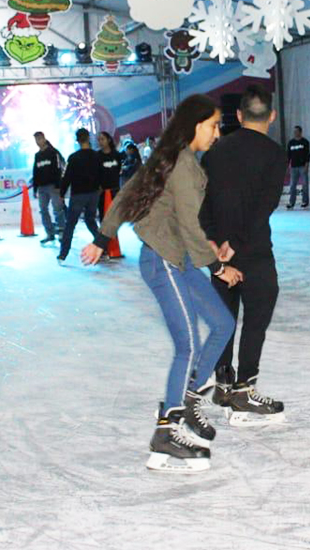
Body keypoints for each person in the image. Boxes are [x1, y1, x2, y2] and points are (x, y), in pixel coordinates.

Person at [81, 94, 240, 474]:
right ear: (194, 125)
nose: (217, 133)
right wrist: (217, 268)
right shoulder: (181, 164)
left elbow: (126, 197)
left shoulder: (170, 158)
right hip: (164, 260)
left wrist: (103, 239)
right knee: (188, 344)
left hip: (178, 258)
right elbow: (186, 223)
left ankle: (184, 400)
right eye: (213, 125)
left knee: (222, 323)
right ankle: (165, 433)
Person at [200, 83, 289, 426]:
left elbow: (202, 204)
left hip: (220, 251)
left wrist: (215, 243)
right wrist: (235, 242)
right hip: (252, 248)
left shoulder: (215, 152)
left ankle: (223, 382)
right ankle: (242, 388)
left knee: (224, 319)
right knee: (256, 318)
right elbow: (263, 205)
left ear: (238, 116)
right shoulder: (274, 153)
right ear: (272, 116)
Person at [57, 129, 104, 263]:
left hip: (78, 194)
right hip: (93, 193)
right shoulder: (96, 156)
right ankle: (102, 247)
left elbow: (67, 177)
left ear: (77, 140)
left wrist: (62, 193)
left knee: (70, 224)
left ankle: (63, 253)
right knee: (90, 220)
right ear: (88, 138)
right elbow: (101, 174)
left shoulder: (73, 158)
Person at [31, 131, 67, 245]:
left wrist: (58, 185)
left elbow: (58, 169)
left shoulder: (53, 152)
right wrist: (35, 188)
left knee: (58, 209)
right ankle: (49, 233)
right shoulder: (37, 155)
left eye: (39, 139)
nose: (38, 142)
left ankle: (61, 230)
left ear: (43, 139)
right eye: (36, 140)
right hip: (41, 187)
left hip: (53, 186)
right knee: (43, 210)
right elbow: (35, 172)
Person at [96, 131, 122, 217]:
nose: (100, 142)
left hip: (115, 189)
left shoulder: (116, 154)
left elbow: (118, 169)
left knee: (115, 215)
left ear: (109, 140)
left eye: (102, 139)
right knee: (103, 215)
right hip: (102, 191)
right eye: (99, 140)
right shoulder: (97, 156)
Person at [286, 125, 310, 210]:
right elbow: (288, 155)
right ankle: (291, 202)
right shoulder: (291, 143)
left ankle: (305, 202)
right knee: (292, 185)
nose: (295, 133)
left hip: (302, 166)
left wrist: (307, 165)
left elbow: (308, 155)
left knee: (305, 185)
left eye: (296, 131)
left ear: (300, 132)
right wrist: (287, 166)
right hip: (293, 167)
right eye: (294, 131)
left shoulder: (305, 142)